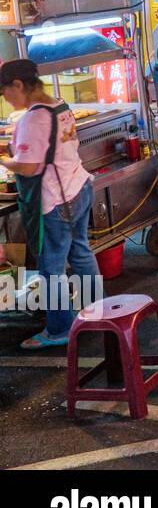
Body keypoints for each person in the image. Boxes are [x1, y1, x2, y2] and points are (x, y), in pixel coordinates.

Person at [0, 60, 98, 350]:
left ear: (18, 85)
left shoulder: (33, 119)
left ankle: (59, 330)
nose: (5, 99)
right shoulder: (59, 104)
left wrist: (4, 160)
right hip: (79, 187)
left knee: (51, 268)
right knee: (80, 252)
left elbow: (28, 168)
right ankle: (93, 313)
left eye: (4, 92)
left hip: (56, 201)